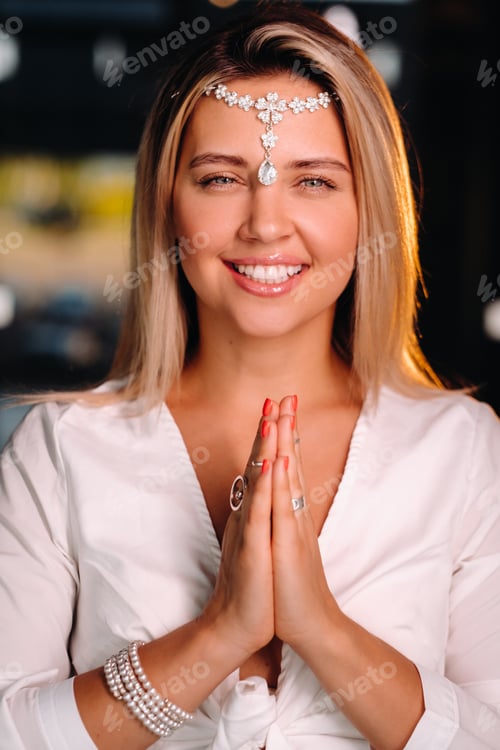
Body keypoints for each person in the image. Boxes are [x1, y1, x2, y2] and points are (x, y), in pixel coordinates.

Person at [0, 5, 499, 749]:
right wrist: (219, 632)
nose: (265, 225)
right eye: (222, 177)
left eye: (315, 182)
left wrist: (320, 627)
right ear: (169, 203)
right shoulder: (63, 447)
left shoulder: (459, 449)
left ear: (371, 209)